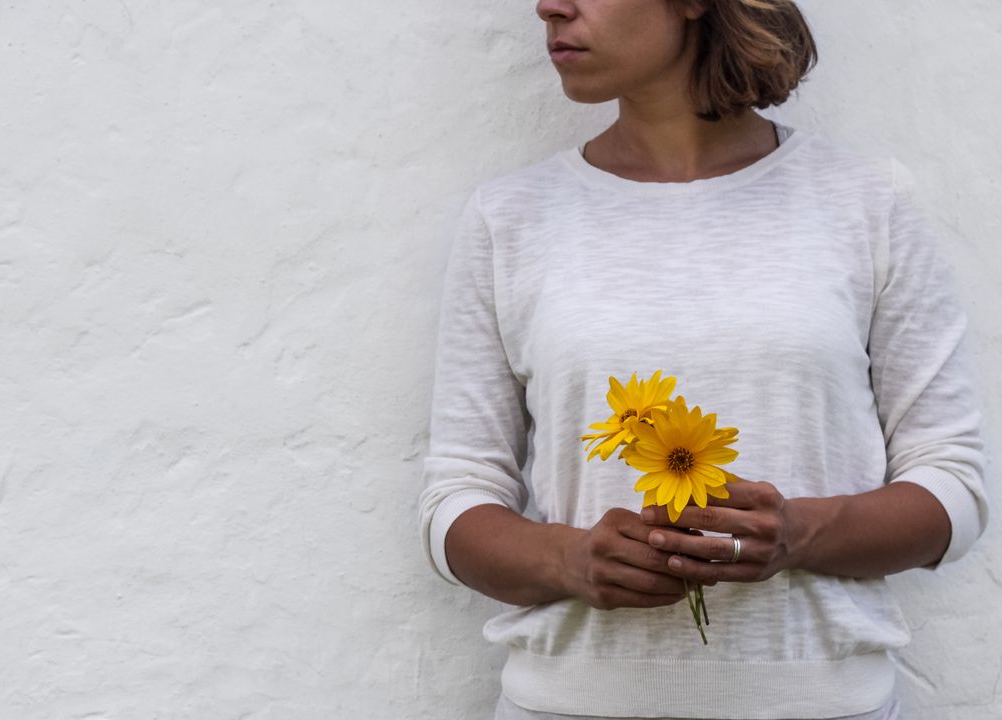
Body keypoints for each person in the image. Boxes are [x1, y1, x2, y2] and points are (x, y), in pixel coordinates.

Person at [417, 1, 990, 718]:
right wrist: (568, 559)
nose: (549, 6)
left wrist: (801, 533)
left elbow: (954, 489)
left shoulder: (866, 200)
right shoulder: (512, 218)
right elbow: (455, 505)